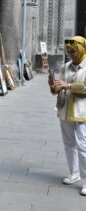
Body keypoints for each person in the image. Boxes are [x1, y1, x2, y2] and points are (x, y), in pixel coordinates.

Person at [48, 36, 86, 195]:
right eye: (69, 52)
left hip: (81, 111)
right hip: (64, 110)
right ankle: (74, 173)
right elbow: (59, 88)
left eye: (74, 51)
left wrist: (68, 85)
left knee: (83, 145)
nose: (71, 54)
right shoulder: (65, 67)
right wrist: (54, 86)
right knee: (69, 143)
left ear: (82, 49)